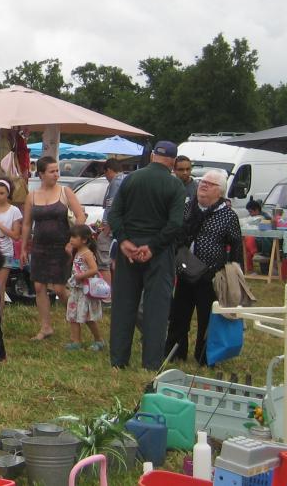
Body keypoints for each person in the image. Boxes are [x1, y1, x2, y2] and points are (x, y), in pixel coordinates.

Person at [107, 140, 186, 370]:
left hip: (128, 250)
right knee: (156, 308)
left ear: (152, 156)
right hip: (158, 253)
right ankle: (151, 362)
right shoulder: (175, 186)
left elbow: (114, 214)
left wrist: (123, 241)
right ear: (173, 161)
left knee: (123, 305)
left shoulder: (131, 179)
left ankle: (118, 360)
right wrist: (152, 247)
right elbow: (175, 224)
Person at [165, 169, 243, 365]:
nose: (204, 186)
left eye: (210, 184)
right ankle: (175, 352)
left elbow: (236, 246)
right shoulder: (187, 208)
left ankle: (204, 355)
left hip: (210, 275)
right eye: (202, 182)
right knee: (179, 316)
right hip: (184, 271)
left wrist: (235, 272)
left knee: (207, 318)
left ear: (220, 192)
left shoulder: (227, 215)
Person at [21, 155, 86, 341]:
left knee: (59, 288)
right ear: (41, 174)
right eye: (52, 171)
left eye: (57, 171)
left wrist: (72, 242)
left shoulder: (65, 192)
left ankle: (77, 317)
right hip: (40, 246)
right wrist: (24, 247)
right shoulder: (32, 195)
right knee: (39, 286)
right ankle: (46, 326)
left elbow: (80, 216)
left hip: (61, 246)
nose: (56, 174)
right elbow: (27, 224)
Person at [65, 224, 104, 351]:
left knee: (88, 317)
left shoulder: (87, 253)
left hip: (85, 291)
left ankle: (99, 340)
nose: (71, 239)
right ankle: (76, 341)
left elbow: (94, 269)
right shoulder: (77, 252)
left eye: (74, 237)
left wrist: (81, 276)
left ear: (84, 239)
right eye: (70, 236)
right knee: (73, 315)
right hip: (76, 290)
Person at [96, 158, 126, 287]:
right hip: (123, 228)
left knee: (104, 261)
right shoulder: (127, 179)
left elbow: (111, 206)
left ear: (108, 170)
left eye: (105, 174)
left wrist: (106, 227)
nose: (106, 177)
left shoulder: (116, 182)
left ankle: (106, 294)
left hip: (112, 228)